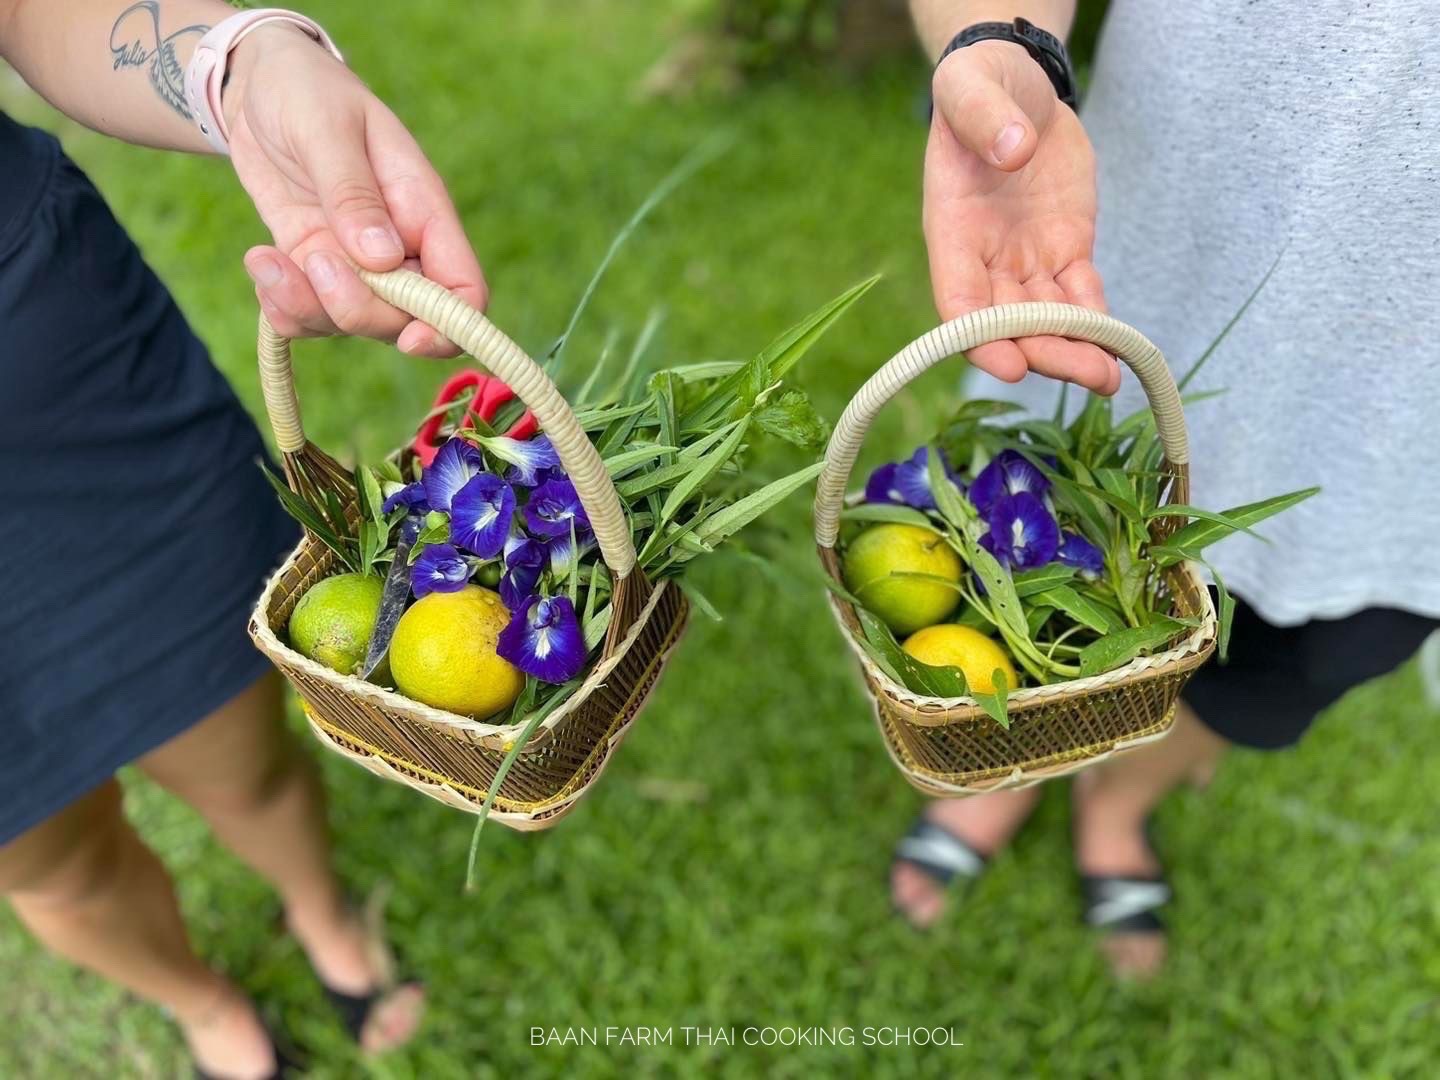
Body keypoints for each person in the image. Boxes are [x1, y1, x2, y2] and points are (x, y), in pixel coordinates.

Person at [890, 0, 1440, 977]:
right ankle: (1005, 767)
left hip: (1412, 420)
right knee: (1015, 553)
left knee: (1308, 650)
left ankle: (1119, 796)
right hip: (1141, 251)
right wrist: (996, 39)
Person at [0, 3, 488, 1075]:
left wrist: (241, 65)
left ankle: (321, 914)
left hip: (50, 389)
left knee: (234, 741)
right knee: (40, 856)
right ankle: (204, 1005)